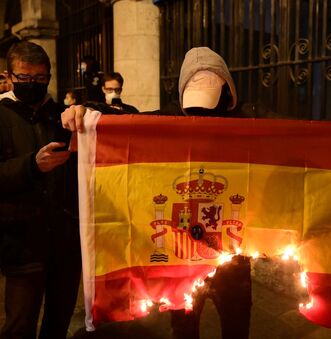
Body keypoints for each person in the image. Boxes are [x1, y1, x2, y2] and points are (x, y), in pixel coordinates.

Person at [62, 47, 250, 339]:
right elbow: (124, 123)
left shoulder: (251, 125)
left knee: (236, 328)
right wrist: (84, 111)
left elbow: (298, 138)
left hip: (232, 258)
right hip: (181, 257)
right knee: (184, 329)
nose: (200, 113)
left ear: (228, 93)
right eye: (194, 105)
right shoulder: (168, 121)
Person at [0, 41, 82, 338]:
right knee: (20, 324)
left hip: (65, 239)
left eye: (40, 79)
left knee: (59, 320)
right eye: (25, 78)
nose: (33, 85)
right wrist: (32, 165)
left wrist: (86, 109)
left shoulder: (60, 115)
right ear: (8, 77)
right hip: (22, 240)